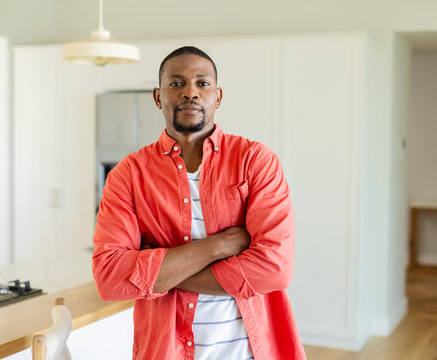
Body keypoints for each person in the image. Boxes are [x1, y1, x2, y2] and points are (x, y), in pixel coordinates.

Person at [92, 46, 306, 359]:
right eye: (176, 84)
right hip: (166, 351)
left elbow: (274, 269)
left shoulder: (256, 161)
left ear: (218, 96)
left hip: (247, 351)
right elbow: (110, 278)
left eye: (202, 83)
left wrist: (160, 272)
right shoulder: (128, 174)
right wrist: (218, 246)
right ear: (157, 96)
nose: (190, 92)